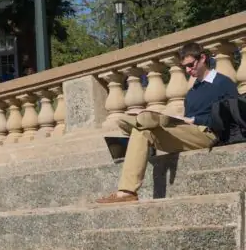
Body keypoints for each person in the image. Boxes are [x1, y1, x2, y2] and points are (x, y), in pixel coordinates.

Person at [97, 42, 239, 204]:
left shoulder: (223, 83)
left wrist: (195, 120)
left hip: (209, 133)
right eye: (184, 67)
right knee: (142, 130)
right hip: (189, 132)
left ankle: (145, 123)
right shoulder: (192, 91)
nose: (188, 70)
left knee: (145, 126)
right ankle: (127, 192)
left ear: (202, 58)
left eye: (190, 65)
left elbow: (233, 116)